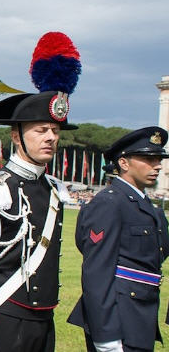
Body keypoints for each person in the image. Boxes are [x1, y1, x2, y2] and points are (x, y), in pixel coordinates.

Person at [0, 31, 81, 352]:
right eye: (41, 130)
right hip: (6, 320)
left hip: (44, 322)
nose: (50, 138)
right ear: (16, 136)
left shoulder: (53, 192)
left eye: (55, 131)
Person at [68, 127, 169, 352]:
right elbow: (97, 273)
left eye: (159, 159)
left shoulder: (146, 206)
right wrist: (106, 338)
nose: (158, 166)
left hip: (139, 315)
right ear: (124, 163)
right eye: (149, 159)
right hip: (118, 320)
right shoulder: (110, 203)